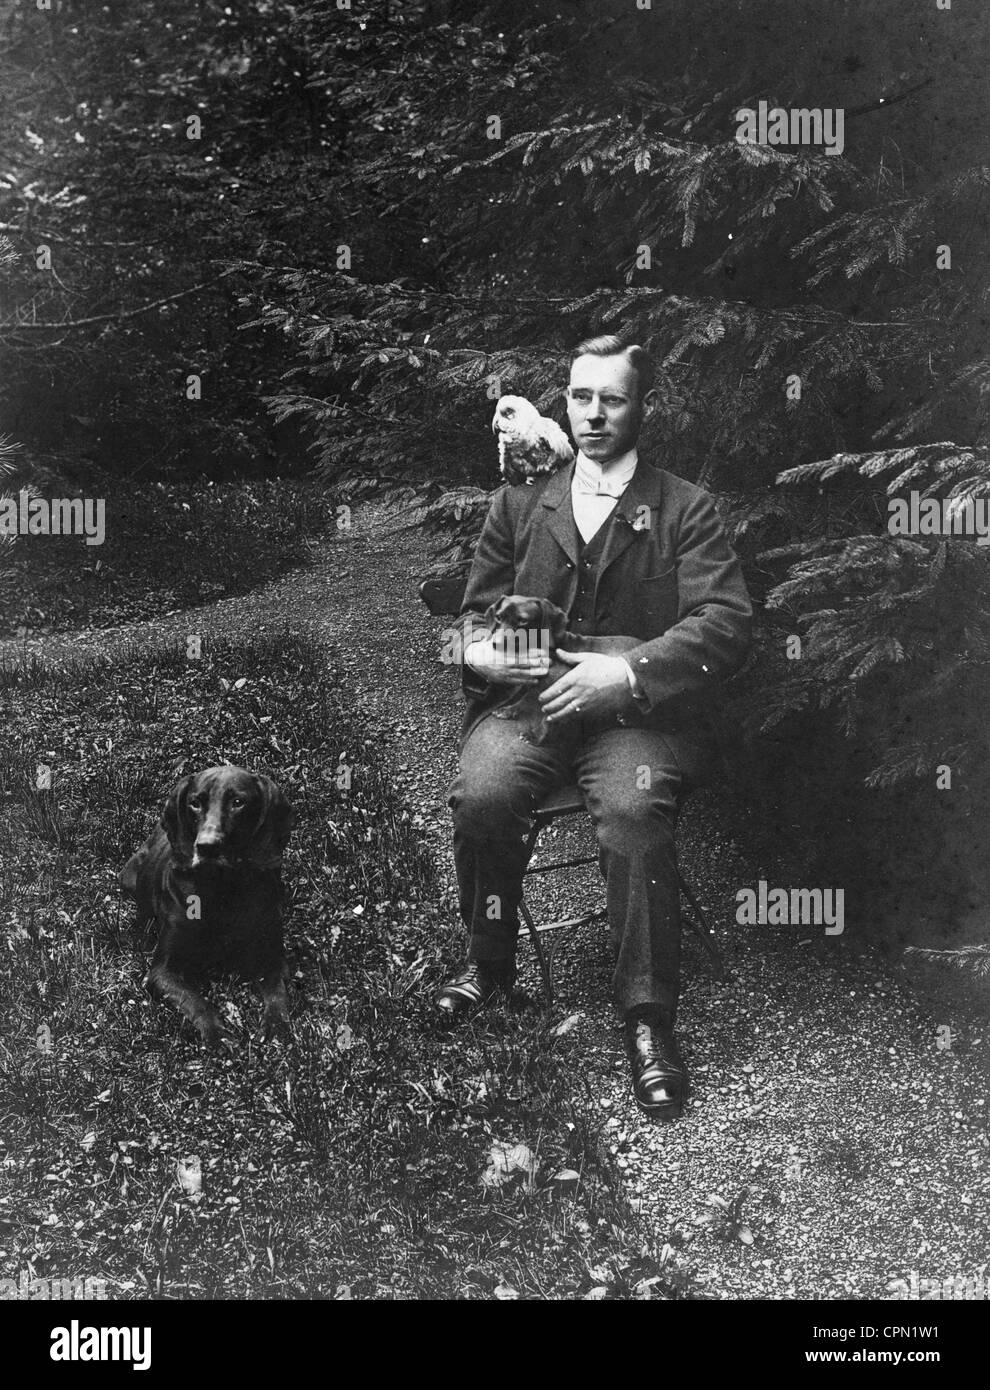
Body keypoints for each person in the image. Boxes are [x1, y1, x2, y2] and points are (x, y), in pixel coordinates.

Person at [438, 335, 752, 1120]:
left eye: (612, 399)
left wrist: (627, 672)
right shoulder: (521, 503)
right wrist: (486, 652)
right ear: (566, 402)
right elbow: (473, 617)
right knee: (481, 794)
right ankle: (489, 963)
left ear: (643, 407)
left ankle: (648, 1021)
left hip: (634, 719)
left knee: (637, 812)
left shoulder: (686, 506)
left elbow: (725, 623)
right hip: (530, 707)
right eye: (581, 397)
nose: (594, 415)